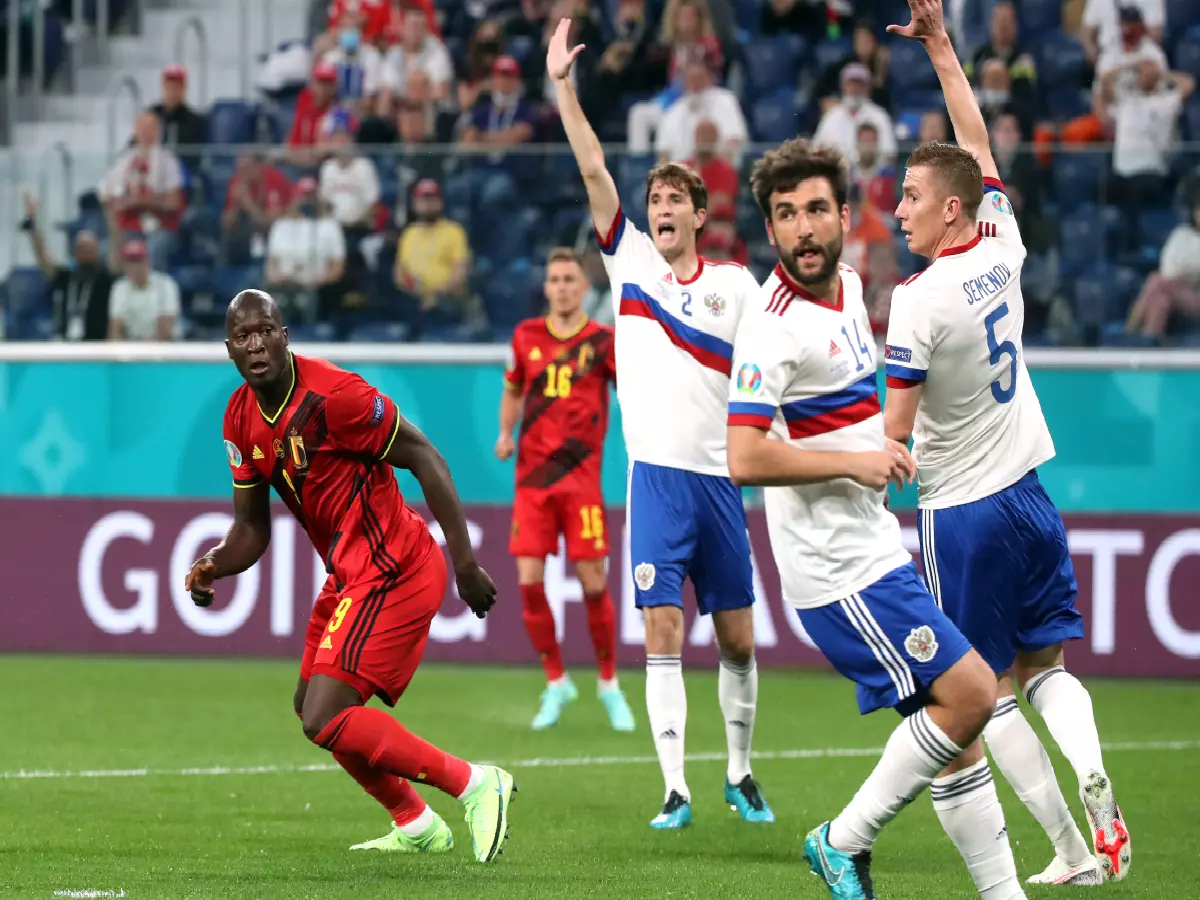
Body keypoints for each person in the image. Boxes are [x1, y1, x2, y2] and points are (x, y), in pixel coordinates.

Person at [726, 136, 1025, 900]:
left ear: (844, 214)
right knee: (972, 694)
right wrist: (855, 462)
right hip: (837, 572)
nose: (802, 228)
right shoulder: (771, 325)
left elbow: (856, 413)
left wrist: (884, 449)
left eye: (815, 209)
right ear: (770, 227)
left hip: (874, 547)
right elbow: (745, 457)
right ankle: (841, 840)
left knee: (955, 741)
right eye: (785, 214)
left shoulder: (854, 287)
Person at [882, 0, 1129, 886]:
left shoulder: (916, 302)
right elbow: (978, 141)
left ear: (949, 210)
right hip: (1030, 495)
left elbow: (896, 435)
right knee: (1046, 668)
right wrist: (945, 48)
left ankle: (1066, 845)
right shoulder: (1003, 240)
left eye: (911, 198)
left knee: (976, 694)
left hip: (962, 514)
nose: (897, 210)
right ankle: (1090, 801)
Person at [184, 290, 515, 861]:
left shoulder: (337, 396)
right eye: (243, 337)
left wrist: (464, 562)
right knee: (309, 706)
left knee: (326, 713)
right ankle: (416, 823)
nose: (256, 345)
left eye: (266, 331)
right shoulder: (239, 417)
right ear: (229, 349)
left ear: (285, 336)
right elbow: (251, 529)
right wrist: (215, 562)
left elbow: (425, 456)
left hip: (395, 566)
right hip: (349, 574)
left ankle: (474, 784)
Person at [548, 18, 774, 829]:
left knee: (739, 639)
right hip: (654, 482)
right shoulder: (630, 261)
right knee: (663, 626)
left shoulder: (738, 287)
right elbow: (593, 167)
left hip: (720, 481)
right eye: (655, 201)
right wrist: (564, 88)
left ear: (701, 214)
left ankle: (739, 772)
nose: (662, 208)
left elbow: (774, 369)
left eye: (676, 199)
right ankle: (675, 786)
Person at [496, 247, 635, 733]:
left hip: (581, 483)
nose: (561, 287)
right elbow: (514, 390)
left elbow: (629, 392)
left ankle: (609, 683)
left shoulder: (602, 341)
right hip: (533, 483)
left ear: (583, 287)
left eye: (569, 279)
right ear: (546, 287)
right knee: (528, 580)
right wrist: (505, 433)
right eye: (554, 279)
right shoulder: (525, 336)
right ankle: (556, 681)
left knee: (594, 582)